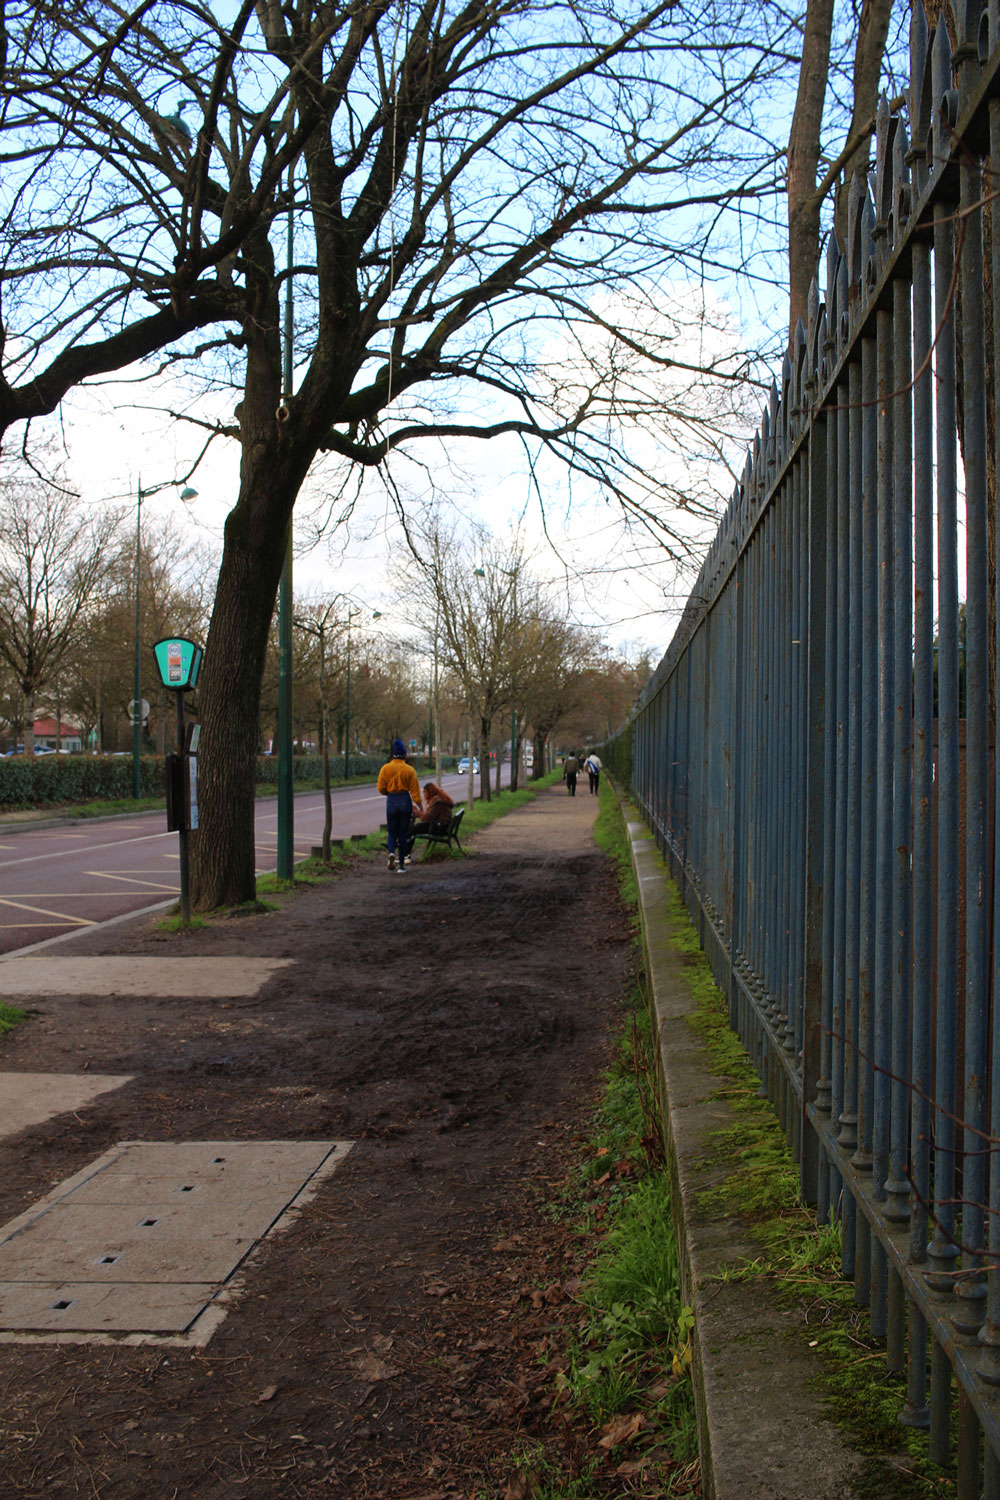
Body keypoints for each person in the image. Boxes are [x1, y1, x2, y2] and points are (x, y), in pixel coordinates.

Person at [377, 739, 424, 873]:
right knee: (403, 833)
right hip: (405, 800)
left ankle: (391, 852)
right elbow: (415, 794)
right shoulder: (410, 770)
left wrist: (389, 792)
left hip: (391, 800)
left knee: (392, 832)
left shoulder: (385, 768)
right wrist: (421, 809)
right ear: (404, 755)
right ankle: (402, 866)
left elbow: (380, 788)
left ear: (393, 755)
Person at [406, 779, 455, 852]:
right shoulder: (440, 799)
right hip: (442, 826)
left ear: (430, 792)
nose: (424, 795)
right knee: (412, 828)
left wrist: (417, 812)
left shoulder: (437, 802)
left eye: (425, 792)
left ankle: (405, 852)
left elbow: (428, 818)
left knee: (413, 829)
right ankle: (401, 847)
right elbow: (430, 816)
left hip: (438, 828)